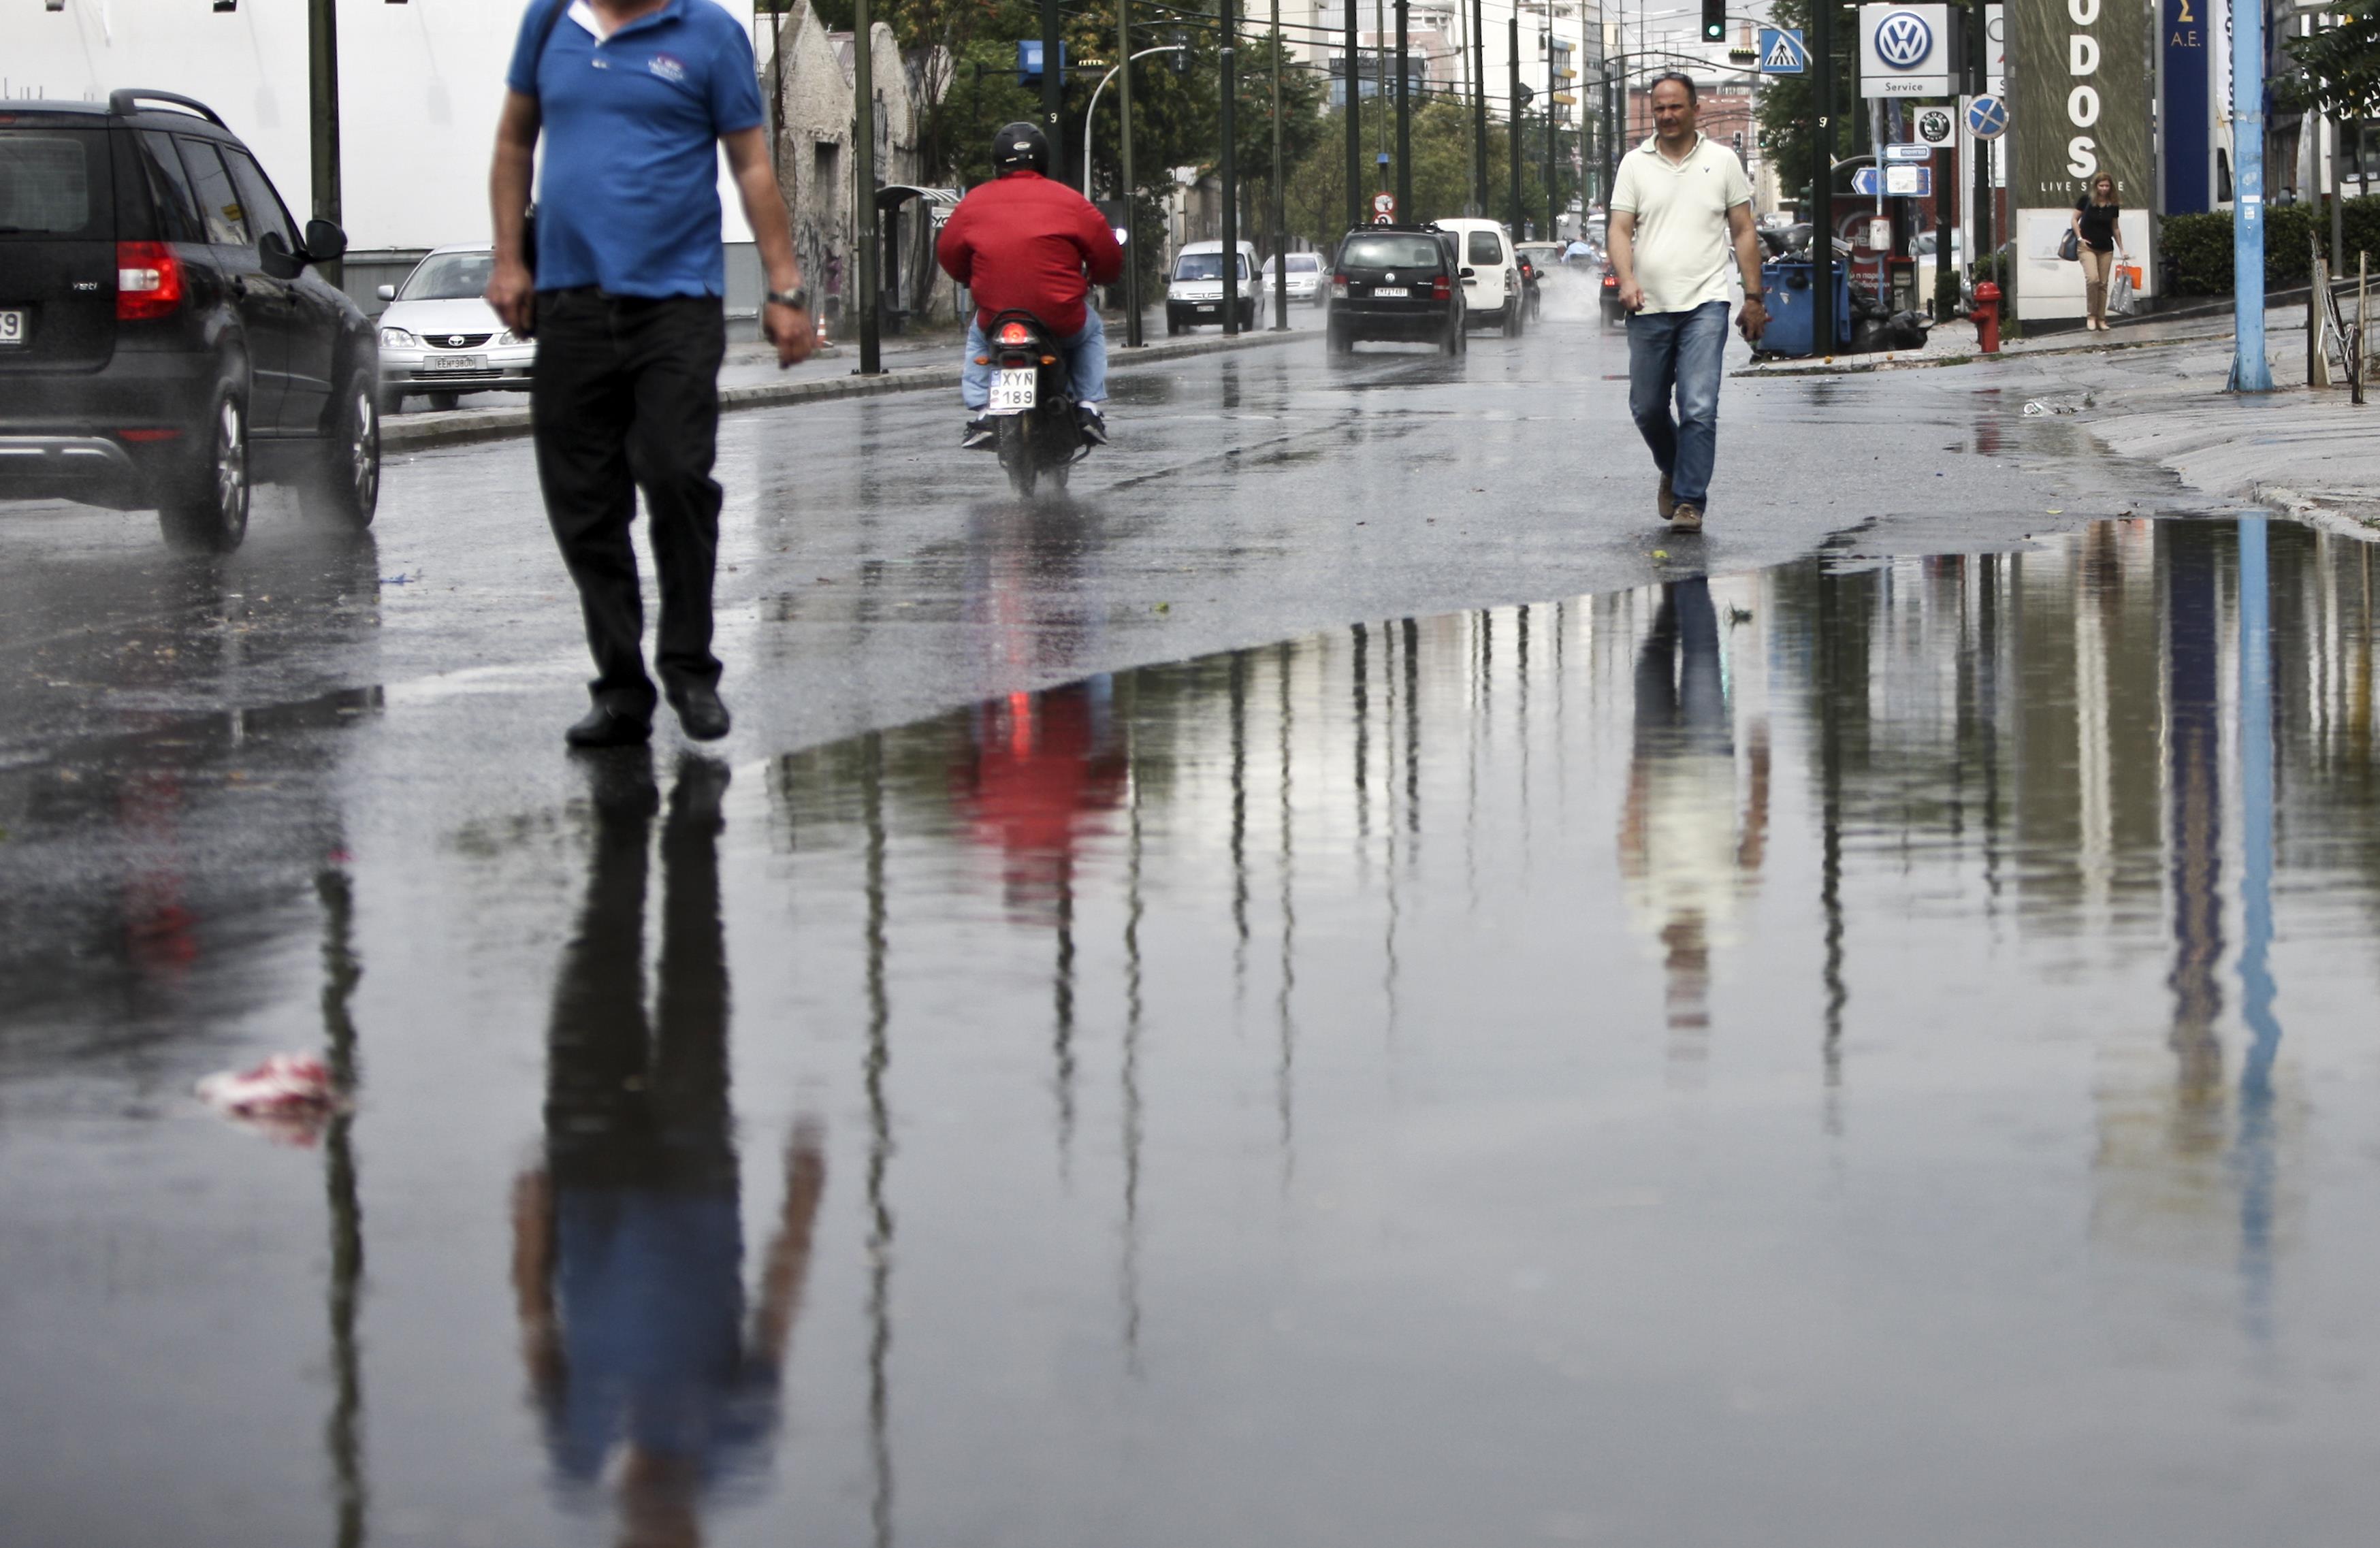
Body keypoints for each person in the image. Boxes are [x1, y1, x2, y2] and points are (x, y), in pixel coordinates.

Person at [513, 753, 829, 1547]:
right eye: (675, 1540)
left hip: (591, 1189)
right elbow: (775, 1312)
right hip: (696, 1175)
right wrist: (802, 1200)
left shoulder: (579, 1455)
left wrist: (529, 1228)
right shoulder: (731, 1449)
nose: (659, 1530)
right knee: (695, 973)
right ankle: (694, 822)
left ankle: (619, 835)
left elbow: (538, 1329)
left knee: (594, 977)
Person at [486, 0, 815, 750]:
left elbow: (751, 164)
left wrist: (785, 286)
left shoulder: (710, 35)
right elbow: (513, 143)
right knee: (583, 504)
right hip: (569, 302)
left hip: (675, 304)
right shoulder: (549, 22)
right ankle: (620, 689)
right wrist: (508, 260)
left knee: (675, 475)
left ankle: (690, 670)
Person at [1605, 73, 1767, 536]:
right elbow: (1619, 229)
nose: (1667, 116)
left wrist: (1753, 297)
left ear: (1696, 109)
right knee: (1648, 408)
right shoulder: (1634, 164)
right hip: (1647, 305)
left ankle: (1690, 500)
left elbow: (1743, 231)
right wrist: (1628, 280)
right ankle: (1673, 467)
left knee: (1698, 405)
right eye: (1659, 109)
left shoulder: (1723, 161)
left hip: (1705, 303)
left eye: (1675, 107)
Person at [937, 123, 1126, 449]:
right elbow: (1107, 253)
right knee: (1092, 331)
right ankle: (1088, 406)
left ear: (997, 161)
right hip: (1060, 317)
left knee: (977, 338)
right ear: (1043, 160)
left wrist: (968, 278)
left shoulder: (973, 203)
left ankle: (983, 410)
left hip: (996, 317)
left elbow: (948, 253)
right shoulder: (1070, 201)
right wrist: (1100, 276)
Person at [2070, 173, 2127, 332]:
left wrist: (2122, 248)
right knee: (2093, 279)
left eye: (2107, 186)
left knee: (2103, 284)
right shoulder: (2086, 200)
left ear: (2111, 187)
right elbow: (2074, 219)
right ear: (2096, 186)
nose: (2104, 189)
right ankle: (2091, 316)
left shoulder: (2113, 205)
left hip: (2106, 248)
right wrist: (2080, 237)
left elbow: (2115, 228)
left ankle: (2101, 319)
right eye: (2101, 186)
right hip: (2087, 247)